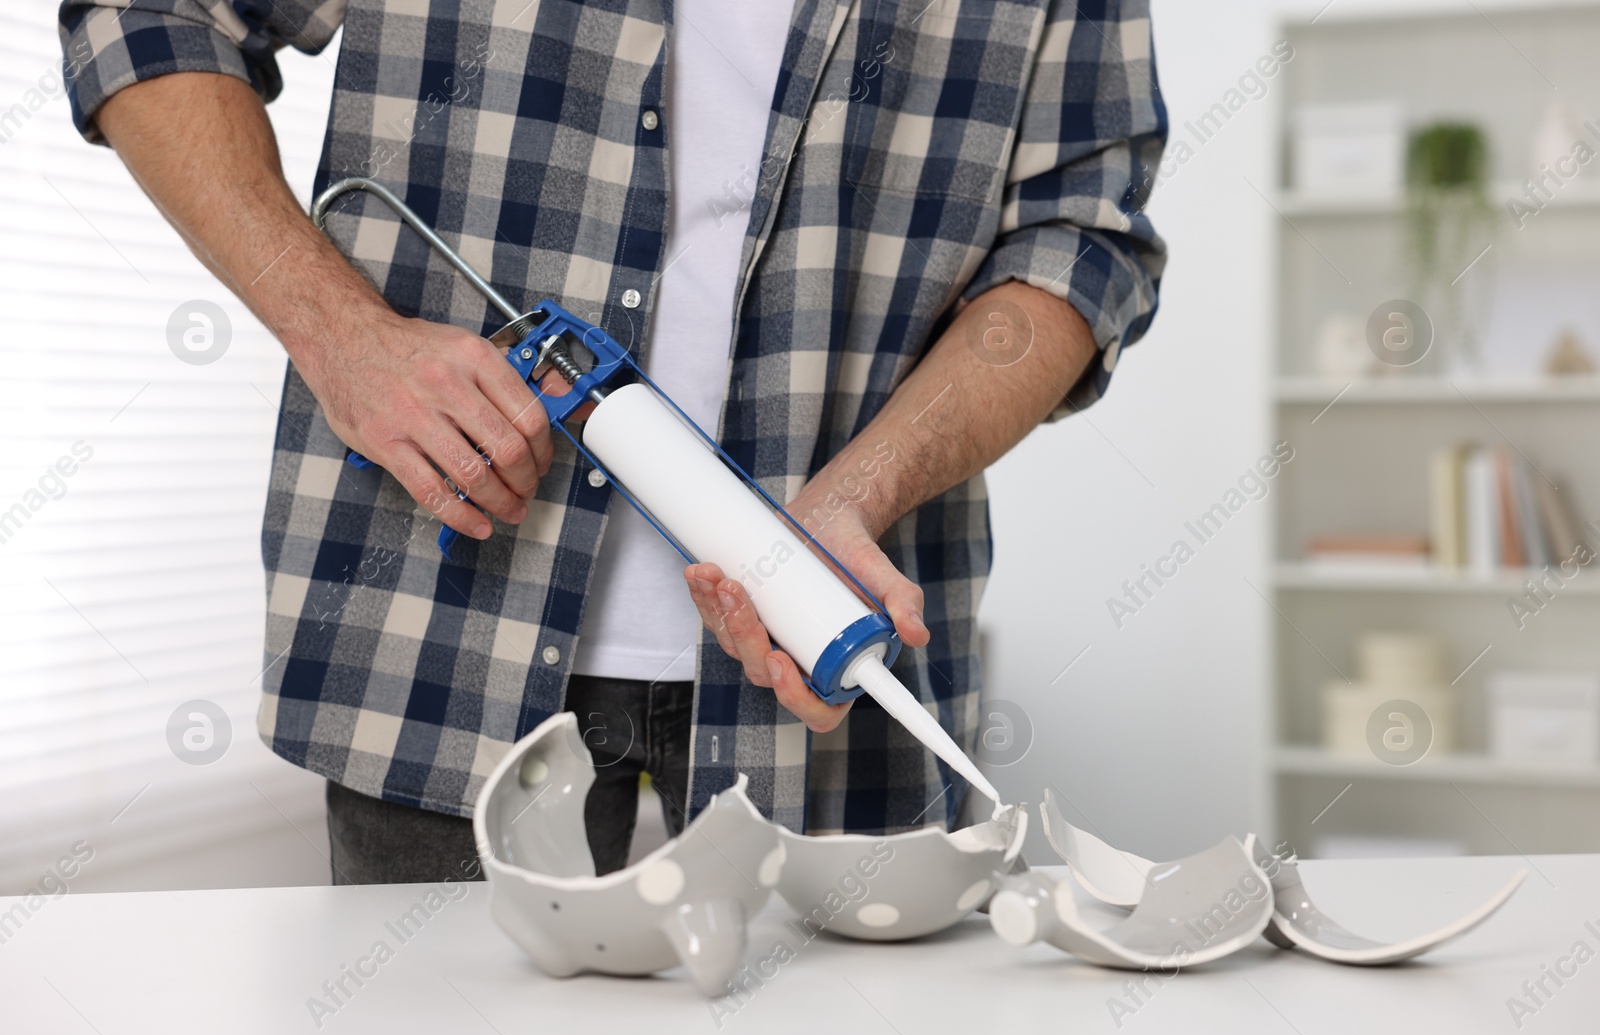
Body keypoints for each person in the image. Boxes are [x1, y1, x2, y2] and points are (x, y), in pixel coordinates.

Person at [59, 0, 1166, 884]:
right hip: (433, 645)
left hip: (823, 663)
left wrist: (862, 489)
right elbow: (145, 16)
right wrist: (338, 335)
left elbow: (1082, 238)